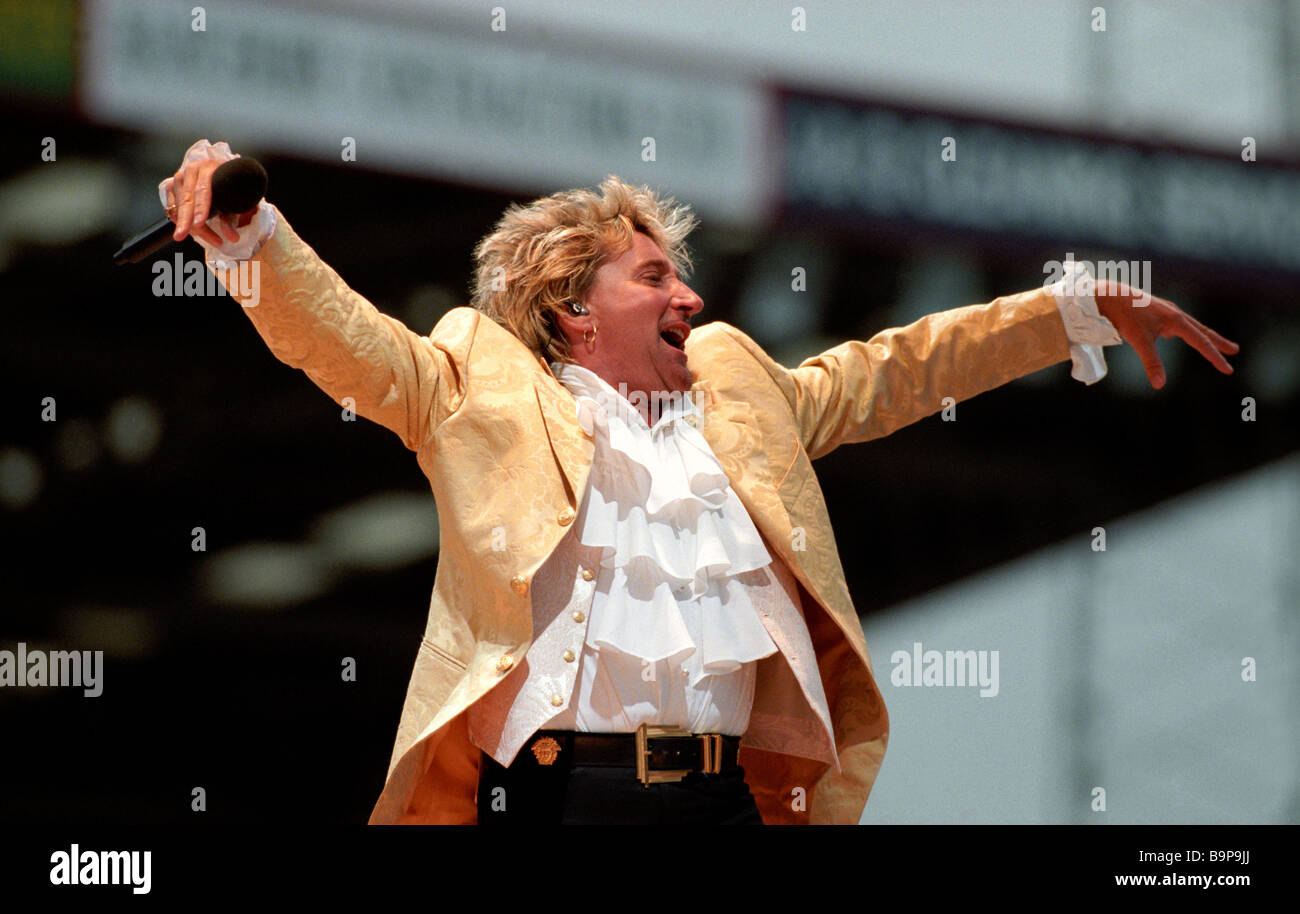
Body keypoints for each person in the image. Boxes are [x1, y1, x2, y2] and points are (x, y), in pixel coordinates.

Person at [162, 139, 1238, 825]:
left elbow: (894, 370)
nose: (689, 293)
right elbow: (348, 341)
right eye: (655, 275)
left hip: (728, 801)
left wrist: (1065, 314)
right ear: (575, 311)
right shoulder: (475, 386)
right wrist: (250, 234)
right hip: (552, 798)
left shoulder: (737, 386)